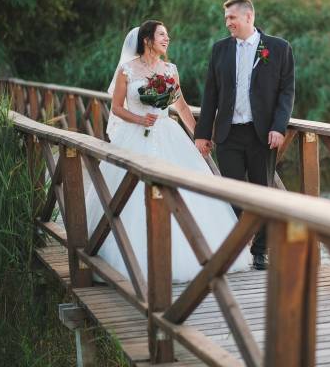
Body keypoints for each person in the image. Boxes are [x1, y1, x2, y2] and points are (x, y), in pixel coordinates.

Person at [84, 20, 251, 283]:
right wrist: (140, 119)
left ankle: (198, 255)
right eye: (162, 35)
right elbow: (116, 108)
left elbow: (181, 107)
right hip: (135, 136)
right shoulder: (127, 70)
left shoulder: (170, 69)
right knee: (130, 192)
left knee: (187, 191)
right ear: (147, 40)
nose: (167, 38)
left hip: (169, 134)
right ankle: (129, 259)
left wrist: (199, 135)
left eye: (167, 35)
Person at [194, 0, 295, 270]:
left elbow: (287, 92)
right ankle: (239, 247)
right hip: (228, 134)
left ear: (248, 17)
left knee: (263, 193)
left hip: (262, 135)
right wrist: (202, 133)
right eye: (226, 19)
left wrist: (279, 127)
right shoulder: (220, 50)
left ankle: (260, 251)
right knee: (232, 194)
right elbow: (210, 94)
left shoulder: (278, 48)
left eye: (232, 18)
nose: (228, 23)